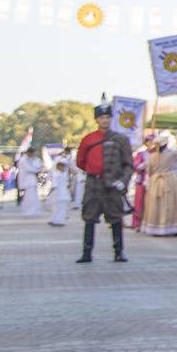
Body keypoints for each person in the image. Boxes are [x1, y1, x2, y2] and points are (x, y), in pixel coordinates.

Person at [75, 105, 135, 263]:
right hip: (93, 183)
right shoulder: (88, 139)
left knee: (116, 219)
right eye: (101, 118)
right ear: (96, 120)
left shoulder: (121, 139)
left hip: (113, 185)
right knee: (89, 218)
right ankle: (86, 253)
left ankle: (119, 252)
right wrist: (94, 171)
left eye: (107, 117)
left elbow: (129, 164)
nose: (105, 120)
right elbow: (80, 162)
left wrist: (123, 181)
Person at [139, 137, 177, 235]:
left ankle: (155, 226)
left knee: (155, 205)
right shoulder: (172, 154)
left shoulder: (151, 156)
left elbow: (149, 171)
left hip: (155, 181)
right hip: (170, 181)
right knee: (171, 204)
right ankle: (171, 227)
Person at [47, 146, 75, 226]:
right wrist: (50, 192)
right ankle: (56, 220)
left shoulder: (63, 174)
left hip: (63, 194)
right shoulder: (57, 174)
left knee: (61, 208)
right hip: (58, 194)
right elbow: (54, 185)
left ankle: (59, 220)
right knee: (57, 208)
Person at [15, 146, 45, 216]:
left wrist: (38, 168)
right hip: (27, 181)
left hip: (32, 181)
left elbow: (38, 166)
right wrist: (38, 169)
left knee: (33, 197)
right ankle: (28, 210)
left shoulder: (30, 159)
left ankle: (33, 210)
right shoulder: (23, 160)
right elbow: (30, 169)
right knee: (29, 197)